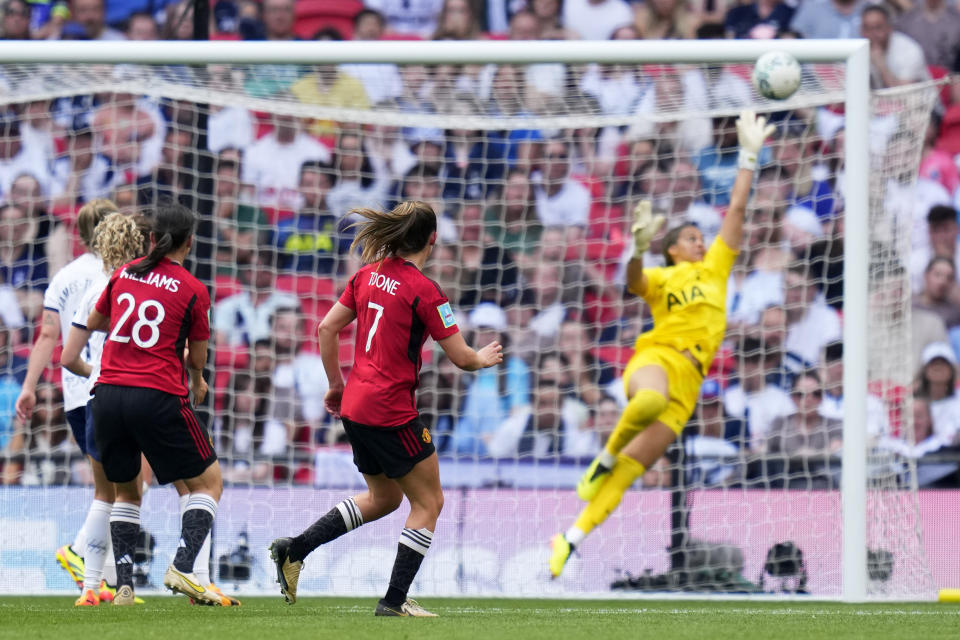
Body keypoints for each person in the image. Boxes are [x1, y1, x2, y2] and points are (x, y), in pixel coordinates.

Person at [549, 110, 774, 577]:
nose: (700, 242)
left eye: (701, 238)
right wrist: (636, 247)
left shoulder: (715, 269)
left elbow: (735, 211)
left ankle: (569, 538)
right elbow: (632, 283)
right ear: (672, 247)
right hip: (656, 358)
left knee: (633, 472)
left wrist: (748, 156)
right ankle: (602, 457)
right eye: (692, 237)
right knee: (648, 400)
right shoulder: (662, 275)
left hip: (691, 382)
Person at [268, 200, 502, 617]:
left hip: (356, 408)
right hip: (391, 411)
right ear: (432, 240)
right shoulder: (426, 292)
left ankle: (295, 549)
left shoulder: (366, 275)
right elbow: (462, 359)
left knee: (384, 497)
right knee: (430, 503)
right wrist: (482, 358)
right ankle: (394, 602)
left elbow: (325, 328)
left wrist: (336, 386)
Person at [83, 202, 222, 606]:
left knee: (126, 492)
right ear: (190, 243)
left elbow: (95, 322)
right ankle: (183, 566)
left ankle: (124, 585)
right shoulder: (193, 289)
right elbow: (197, 357)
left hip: (107, 395)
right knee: (208, 484)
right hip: (157, 394)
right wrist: (197, 381)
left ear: (150, 238)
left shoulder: (125, 273)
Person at [13, 199, 114, 591]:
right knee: (121, 486)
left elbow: (48, 336)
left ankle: (103, 580)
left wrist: (29, 386)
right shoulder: (119, 274)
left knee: (112, 484)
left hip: (74, 395)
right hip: (107, 386)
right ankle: (78, 553)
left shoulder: (63, 277)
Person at [59, 212, 143, 606]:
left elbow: (68, 356)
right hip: (136, 396)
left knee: (105, 493)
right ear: (138, 245)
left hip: (99, 397)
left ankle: (94, 586)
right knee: (126, 491)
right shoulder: (140, 288)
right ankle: (93, 568)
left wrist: (98, 374)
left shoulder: (96, 288)